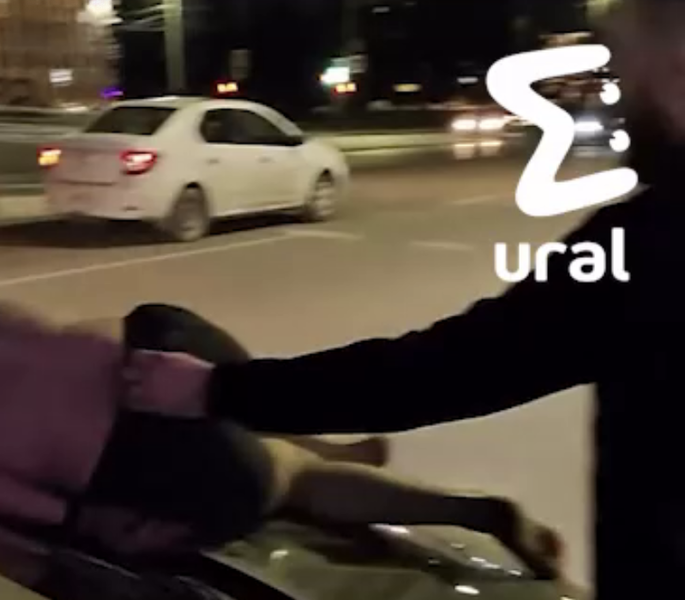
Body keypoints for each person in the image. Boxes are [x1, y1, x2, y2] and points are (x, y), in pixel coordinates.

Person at [124, 2, 685, 598]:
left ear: (676, 72)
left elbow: (451, 369)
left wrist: (215, 391)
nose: (618, 98)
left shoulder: (652, 241)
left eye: (625, 72)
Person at [0, 296, 559, 575]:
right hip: (161, 340)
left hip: (134, 447)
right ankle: (310, 443)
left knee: (282, 484)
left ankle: (467, 508)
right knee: (267, 444)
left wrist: (74, 520)